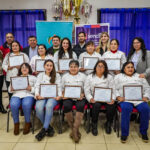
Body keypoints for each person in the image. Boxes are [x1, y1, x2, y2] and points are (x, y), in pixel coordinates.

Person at [114, 61, 150, 143]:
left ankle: (143, 132)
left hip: (139, 99)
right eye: (128, 67)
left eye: (132, 67)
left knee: (146, 109)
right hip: (125, 99)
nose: (130, 69)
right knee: (126, 109)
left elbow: (147, 88)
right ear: (124, 68)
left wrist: (146, 96)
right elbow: (113, 88)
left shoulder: (140, 76)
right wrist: (118, 97)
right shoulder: (118, 77)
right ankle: (124, 134)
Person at [84, 60, 116, 136]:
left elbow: (113, 89)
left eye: (102, 66)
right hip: (95, 98)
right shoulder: (89, 77)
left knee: (111, 105)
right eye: (99, 66)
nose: (100, 68)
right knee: (96, 105)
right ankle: (94, 124)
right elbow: (86, 90)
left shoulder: (109, 77)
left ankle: (108, 123)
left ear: (105, 68)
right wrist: (90, 98)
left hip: (107, 97)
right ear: (95, 67)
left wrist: (112, 99)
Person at [35, 59, 62, 141]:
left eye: (51, 65)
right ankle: (48, 128)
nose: (49, 67)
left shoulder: (57, 75)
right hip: (42, 96)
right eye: (47, 65)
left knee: (49, 106)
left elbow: (59, 86)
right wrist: (37, 95)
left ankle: (43, 130)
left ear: (53, 66)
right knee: (38, 108)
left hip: (53, 97)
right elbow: (37, 86)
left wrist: (59, 96)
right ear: (44, 66)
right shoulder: (40, 75)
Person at [62, 60, 86, 143]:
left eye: (75, 66)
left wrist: (83, 94)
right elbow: (61, 89)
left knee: (80, 106)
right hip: (68, 97)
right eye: (71, 67)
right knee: (66, 106)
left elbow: (86, 88)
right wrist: (64, 94)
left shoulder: (83, 76)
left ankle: (74, 129)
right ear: (69, 68)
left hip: (79, 97)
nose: (73, 68)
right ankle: (74, 130)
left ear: (78, 68)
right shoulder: (64, 77)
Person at [9, 63, 36, 135]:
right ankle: (16, 124)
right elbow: (9, 89)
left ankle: (27, 123)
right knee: (13, 104)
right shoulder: (15, 78)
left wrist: (31, 88)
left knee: (26, 104)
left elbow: (37, 89)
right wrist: (11, 89)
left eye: (26, 67)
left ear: (29, 69)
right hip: (17, 95)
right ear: (20, 70)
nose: (24, 69)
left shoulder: (33, 78)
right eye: (22, 67)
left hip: (28, 95)